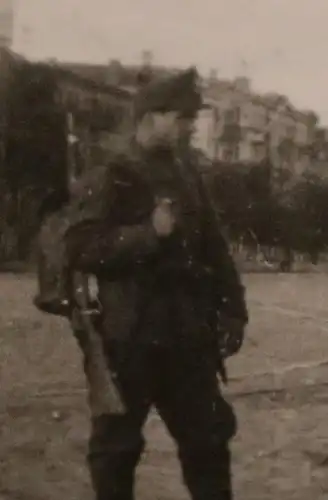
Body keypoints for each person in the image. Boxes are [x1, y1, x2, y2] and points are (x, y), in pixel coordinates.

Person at [35, 67, 248, 500]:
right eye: (182, 118)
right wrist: (150, 235)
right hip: (127, 336)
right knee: (117, 448)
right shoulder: (109, 171)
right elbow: (80, 248)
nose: (190, 127)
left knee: (208, 441)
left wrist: (233, 310)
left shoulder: (187, 172)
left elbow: (215, 249)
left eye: (191, 119)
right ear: (151, 115)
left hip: (188, 335)